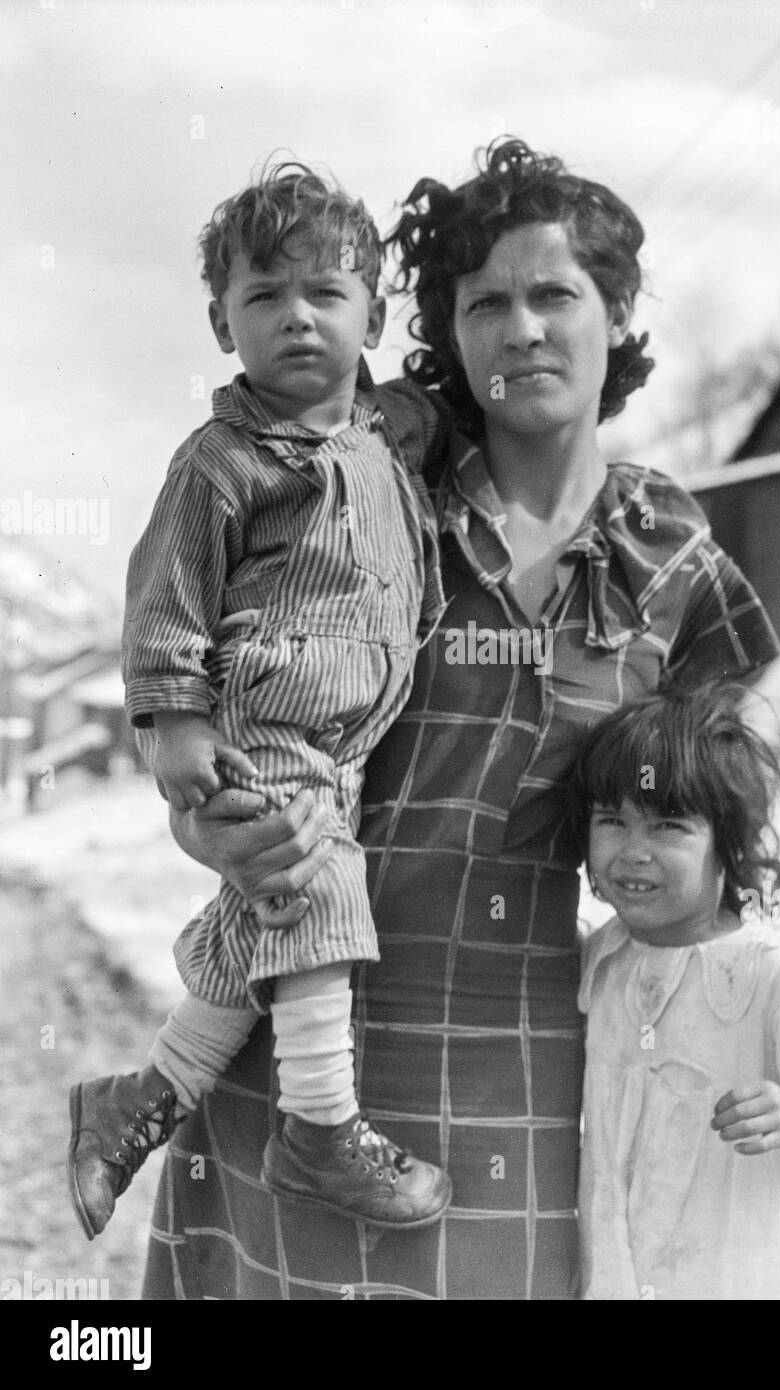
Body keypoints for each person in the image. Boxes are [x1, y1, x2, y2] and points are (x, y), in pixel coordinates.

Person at [139, 138, 780, 1300]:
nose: (522, 328)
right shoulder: (363, 486)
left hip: (523, 1059)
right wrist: (211, 829)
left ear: (616, 310)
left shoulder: (674, 560)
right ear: (443, 329)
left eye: (554, 294)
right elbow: (216, 706)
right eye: (486, 302)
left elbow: (713, 823)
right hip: (301, 1038)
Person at [67, 162, 453, 1243]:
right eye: (265, 297)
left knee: (266, 918)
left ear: (372, 311)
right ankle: (320, 1126)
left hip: (345, 740)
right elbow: (167, 597)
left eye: (326, 295)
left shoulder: (384, 438)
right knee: (312, 890)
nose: (297, 320)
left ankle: (135, 1103)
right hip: (264, 723)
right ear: (220, 321)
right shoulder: (224, 461)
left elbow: (430, 411)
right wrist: (177, 723)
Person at [571, 684, 780, 1299]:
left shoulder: (772, 974)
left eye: (668, 826)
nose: (634, 852)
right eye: (612, 821)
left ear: (729, 844)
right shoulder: (603, 960)